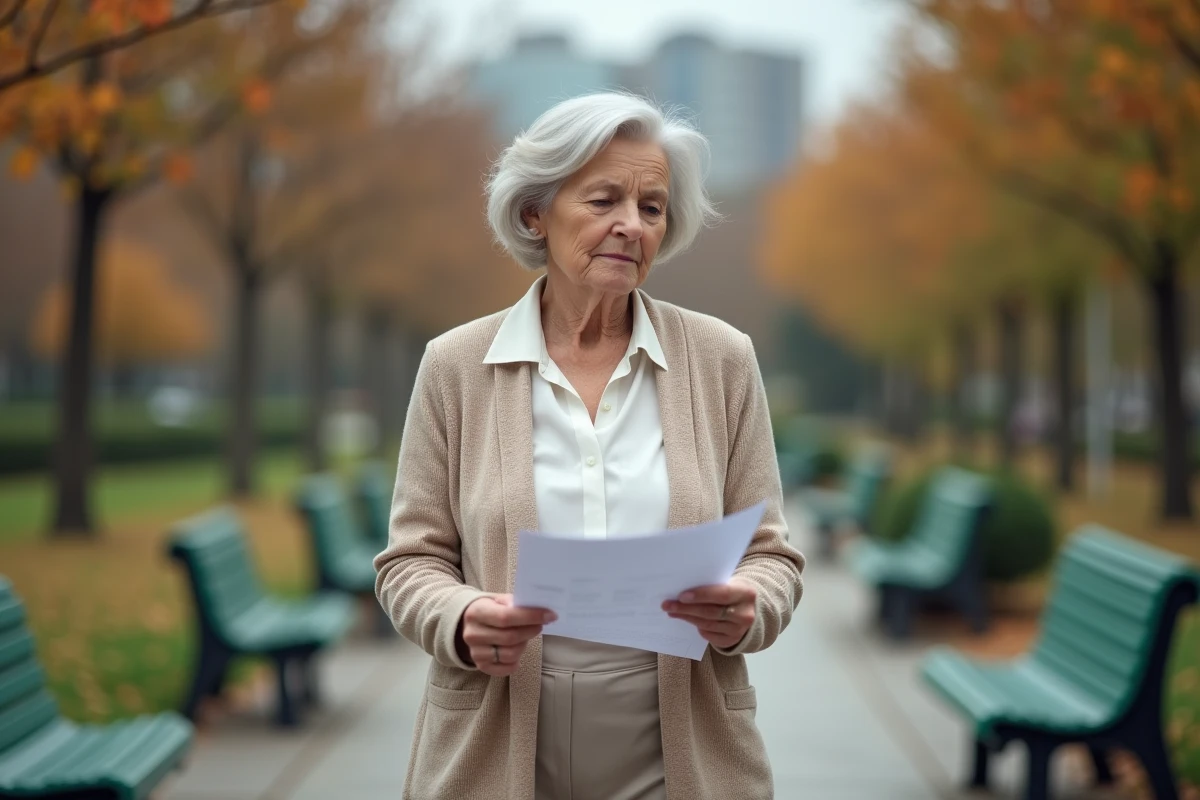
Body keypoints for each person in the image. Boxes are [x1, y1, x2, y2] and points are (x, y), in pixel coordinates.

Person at [374, 91, 805, 800]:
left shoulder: (723, 359)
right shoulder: (454, 365)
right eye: (604, 200)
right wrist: (460, 618)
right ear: (535, 213)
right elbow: (410, 561)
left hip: (681, 750)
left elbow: (771, 554)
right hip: (496, 743)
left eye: (651, 207)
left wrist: (749, 604)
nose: (631, 225)